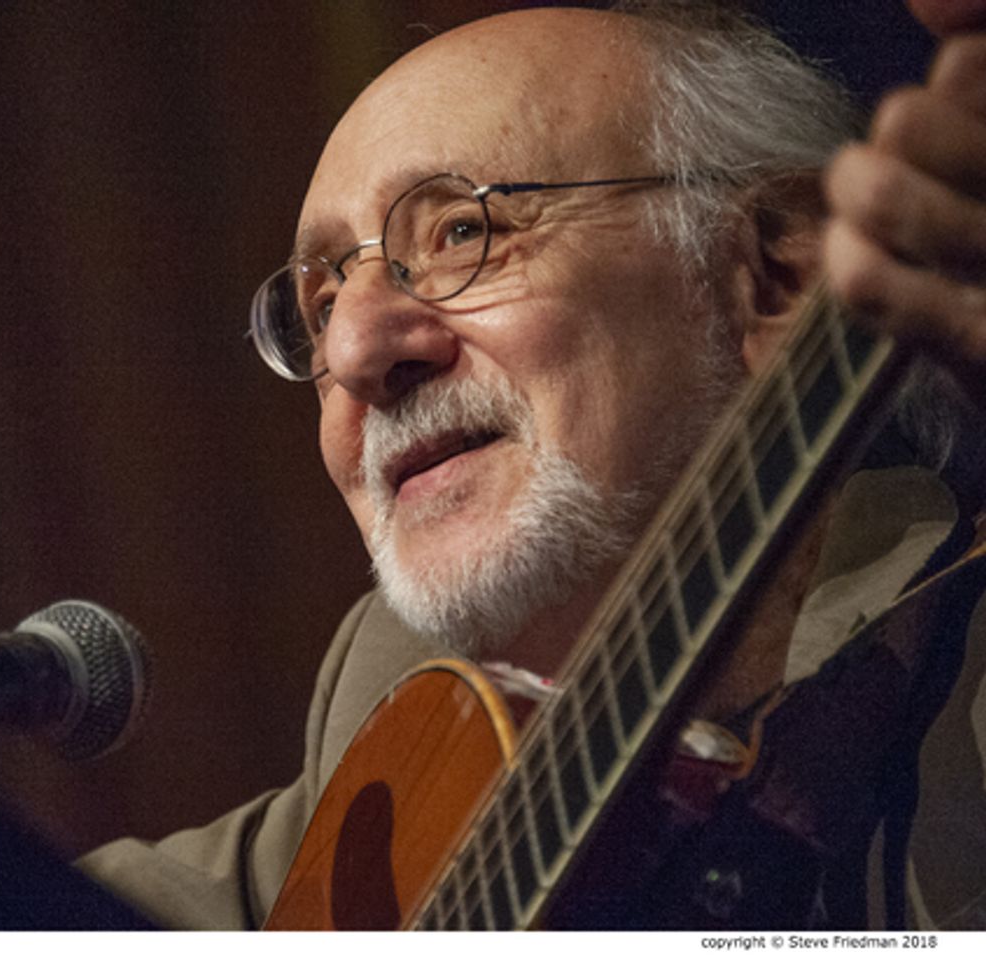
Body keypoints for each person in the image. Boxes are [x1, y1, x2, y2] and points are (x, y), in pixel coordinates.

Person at [77, 0, 986, 930]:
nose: (352, 351)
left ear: (772, 274)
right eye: (322, 306)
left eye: (461, 233)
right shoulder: (411, 728)